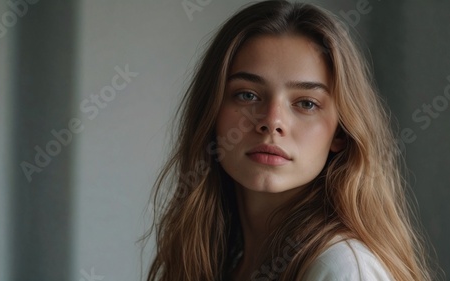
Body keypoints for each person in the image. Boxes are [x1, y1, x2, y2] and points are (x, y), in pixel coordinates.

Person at [144, 1, 434, 280]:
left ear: (341, 133)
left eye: (306, 103)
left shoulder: (343, 269)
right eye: (247, 95)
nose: (272, 121)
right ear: (211, 113)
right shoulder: (222, 258)